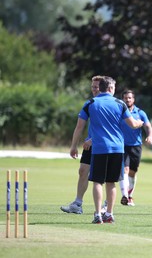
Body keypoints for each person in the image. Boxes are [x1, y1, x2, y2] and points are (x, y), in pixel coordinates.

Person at [69, 76, 143, 224]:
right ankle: (109, 214)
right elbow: (133, 124)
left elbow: (79, 127)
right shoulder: (119, 103)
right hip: (117, 149)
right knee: (111, 183)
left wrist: (73, 146)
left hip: (99, 148)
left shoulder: (90, 103)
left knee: (97, 182)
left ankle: (97, 214)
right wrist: (140, 123)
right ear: (110, 88)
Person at [61, 76, 100, 214]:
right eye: (93, 87)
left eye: (97, 87)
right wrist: (73, 146)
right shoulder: (89, 104)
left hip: (106, 145)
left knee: (105, 177)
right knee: (83, 171)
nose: (94, 89)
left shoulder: (113, 104)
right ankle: (78, 204)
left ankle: (106, 207)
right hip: (90, 145)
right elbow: (79, 127)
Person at [119, 89, 152, 206]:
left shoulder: (140, 112)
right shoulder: (119, 111)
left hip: (136, 147)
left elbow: (148, 126)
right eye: (125, 98)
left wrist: (150, 136)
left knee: (132, 173)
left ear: (133, 99)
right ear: (122, 99)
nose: (127, 100)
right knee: (125, 170)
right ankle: (124, 196)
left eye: (129, 98)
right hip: (122, 146)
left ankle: (130, 196)